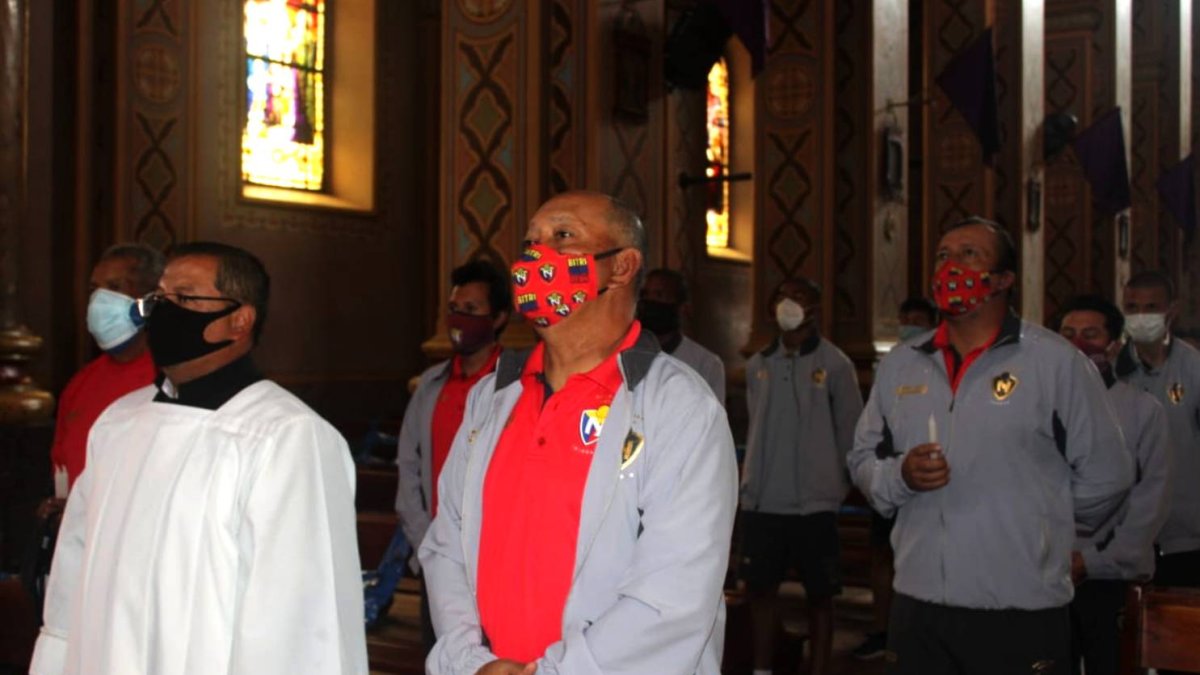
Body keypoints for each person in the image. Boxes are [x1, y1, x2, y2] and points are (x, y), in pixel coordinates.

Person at [420, 190, 737, 674]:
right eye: (530, 243)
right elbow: (447, 544)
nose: (536, 257)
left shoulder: (678, 407)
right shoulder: (492, 399)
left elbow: (675, 593)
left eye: (563, 236)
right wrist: (470, 661)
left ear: (623, 266)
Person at [31, 242, 367, 675]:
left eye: (185, 298)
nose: (164, 313)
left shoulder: (287, 437)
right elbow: (73, 571)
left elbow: (300, 620)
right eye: (160, 298)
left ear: (239, 321)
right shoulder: (120, 422)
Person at [847, 217, 1131, 675]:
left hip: (1018, 608)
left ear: (1003, 280)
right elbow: (862, 459)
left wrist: (1038, 520)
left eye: (968, 255)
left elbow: (1109, 474)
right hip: (919, 606)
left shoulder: (1054, 362)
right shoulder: (903, 364)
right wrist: (899, 477)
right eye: (943, 255)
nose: (951, 266)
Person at [740, 277, 863, 675]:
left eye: (799, 299)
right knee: (760, 590)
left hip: (814, 505)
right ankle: (762, 669)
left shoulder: (835, 364)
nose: (788, 305)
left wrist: (834, 486)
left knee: (820, 595)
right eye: (782, 297)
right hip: (763, 500)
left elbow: (851, 432)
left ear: (814, 309)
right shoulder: (759, 365)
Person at [395, 259, 511, 650]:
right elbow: (409, 466)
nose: (458, 319)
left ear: (497, 318)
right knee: (440, 656)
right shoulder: (431, 384)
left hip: (497, 560)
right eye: (454, 308)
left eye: (472, 310)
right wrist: (426, 543)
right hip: (438, 556)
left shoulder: (517, 386)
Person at [1051, 295, 1170, 675]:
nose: (1077, 344)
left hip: (1110, 575)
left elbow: (1150, 498)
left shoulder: (1141, 410)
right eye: (1067, 334)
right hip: (1044, 572)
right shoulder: (1036, 404)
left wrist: (1091, 561)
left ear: (1115, 344)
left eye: (1091, 334)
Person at [852, 295, 939, 661]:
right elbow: (863, 447)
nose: (908, 325)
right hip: (891, 481)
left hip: (931, 491)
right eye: (905, 318)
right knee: (883, 558)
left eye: (917, 319)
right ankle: (884, 627)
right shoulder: (895, 365)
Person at [50, 244, 163, 491]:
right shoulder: (81, 383)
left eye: (114, 287)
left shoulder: (172, 379)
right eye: (94, 289)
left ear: (150, 301)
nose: (99, 300)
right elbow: (63, 467)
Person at [1116, 270, 1200, 593]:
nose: (1140, 317)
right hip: (1126, 536)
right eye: (1132, 307)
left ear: (1172, 311)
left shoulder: (1193, 369)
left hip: (1186, 537)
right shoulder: (1112, 371)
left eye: (1151, 307)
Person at [637, 268, 726, 405]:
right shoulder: (627, 355)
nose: (650, 302)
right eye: (645, 295)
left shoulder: (706, 364)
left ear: (681, 307)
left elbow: (712, 418)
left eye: (659, 295)